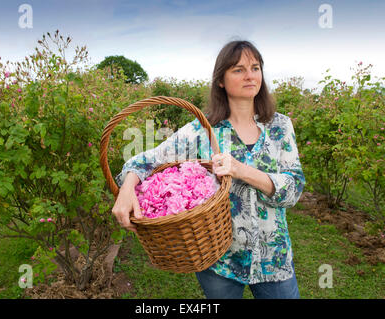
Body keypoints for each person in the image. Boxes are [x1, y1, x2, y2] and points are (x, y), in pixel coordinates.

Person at [111, 40, 305, 299]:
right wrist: (126, 189)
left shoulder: (280, 126)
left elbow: (293, 189)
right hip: (220, 261)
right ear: (221, 80)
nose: (250, 75)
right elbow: (147, 160)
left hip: (273, 256)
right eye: (238, 69)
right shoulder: (202, 130)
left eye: (255, 68)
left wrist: (240, 170)